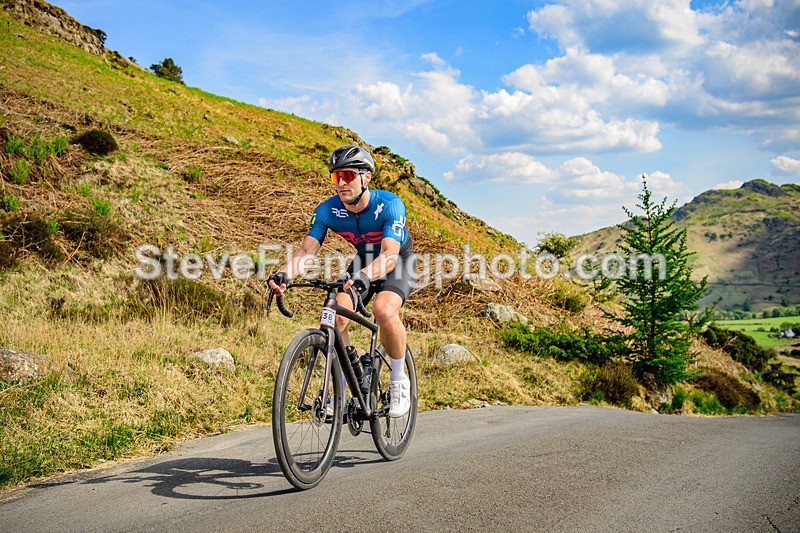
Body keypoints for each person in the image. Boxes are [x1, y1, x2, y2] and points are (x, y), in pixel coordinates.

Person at [268, 144, 416, 418]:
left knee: (383, 310)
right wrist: (284, 274)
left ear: (366, 177)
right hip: (363, 259)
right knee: (334, 317)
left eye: (348, 175)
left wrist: (362, 277)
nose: (342, 183)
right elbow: (306, 252)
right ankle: (349, 381)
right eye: (337, 177)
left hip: (397, 259)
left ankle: (399, 380)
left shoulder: (390, 204)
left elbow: (389, 256)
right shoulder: (327, 210)